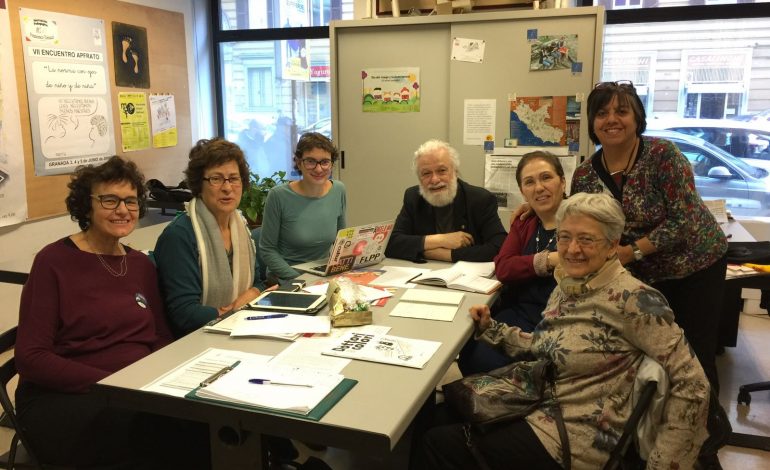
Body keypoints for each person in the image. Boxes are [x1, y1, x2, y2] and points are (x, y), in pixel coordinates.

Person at [420, 192, 710, 470]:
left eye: (586, 239)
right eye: (564, 237)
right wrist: (491, 329)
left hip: (577, 437)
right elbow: (544, 345)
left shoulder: (634, 299)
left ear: (612, 244)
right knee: (440, 413)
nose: (572, 249)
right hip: (542, 402)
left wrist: (665, 463)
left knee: (436, 443)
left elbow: (693, 384)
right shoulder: (570, 285)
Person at [15, 156, 209, 469]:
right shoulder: (53, 262)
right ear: (86, 205)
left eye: (130, 200)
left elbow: (159, 336)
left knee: (204, 417)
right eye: (109, 199)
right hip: (65, 398)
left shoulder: (140, 265)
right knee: (162, 430)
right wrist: (114, 383)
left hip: (133, 391)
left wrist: (164, 379)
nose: (122, 210)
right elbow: (31, 356)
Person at [571, 81, 728, 398]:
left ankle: (705, 437)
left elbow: (682, 220)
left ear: (637, 118)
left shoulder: (663, 155)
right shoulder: (586, 174)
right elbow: (580, 219)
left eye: (621, 111)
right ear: (592, 122)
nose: (612, 119)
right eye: (602, 113)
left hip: (695, 266)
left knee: (693, 354)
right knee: (651, 355)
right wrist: (537, 210)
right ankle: (656, 429)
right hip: (643, 278)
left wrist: (630, 253)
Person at [457, 151, 566, 375]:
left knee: (490, 363)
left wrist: (526, 265)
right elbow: (504, 268)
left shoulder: (581, 222)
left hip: (560, 321)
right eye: (529, 182)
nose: (538, 187)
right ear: (523, 192)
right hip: (519, 312)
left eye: (546, 177)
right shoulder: (524, 223)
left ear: (563, 182)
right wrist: (550, 259)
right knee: (468, 350)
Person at [154, 137, 266, 337]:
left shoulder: (240, 226)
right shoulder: (180, 235)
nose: (227, 187)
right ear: (199, 184)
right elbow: (185, 314)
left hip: (240, 328)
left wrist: (251, 295)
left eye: (234, 178)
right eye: (216, 178)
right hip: (198, 339)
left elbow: (257, 283)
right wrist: (236, 308)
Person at [385, 139, 506, 262]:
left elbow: (499, 247)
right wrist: (441, 240)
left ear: (455, 172)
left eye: (442, 170)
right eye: (426, 173)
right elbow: (390, 243)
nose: (435, 180)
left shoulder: (480, 199)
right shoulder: (413, 197)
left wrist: (443, 254)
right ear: (419, 178)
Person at [260, 132, 346, 283]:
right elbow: (267, 250)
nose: (319, 169)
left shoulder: (338, 190)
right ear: (299, 163)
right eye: (311, 162)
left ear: (332, 164)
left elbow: (342, 240)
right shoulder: (278, 196)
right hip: (286, 276)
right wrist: (301, 279)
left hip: (323, 276)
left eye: (325, 162)